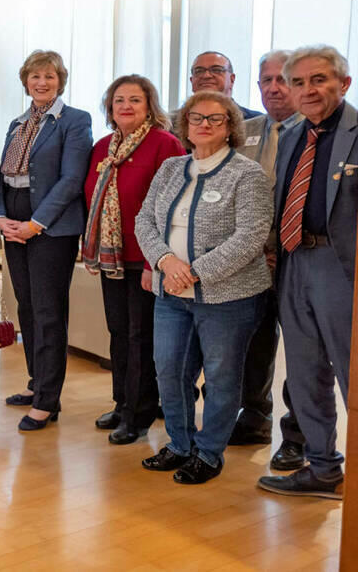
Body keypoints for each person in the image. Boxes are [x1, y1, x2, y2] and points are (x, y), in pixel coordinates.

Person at [135, 91, 273, 485]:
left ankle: (209, 453)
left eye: (216, 119)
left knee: (221, 376)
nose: (205, 125)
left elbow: (250, 237)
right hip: (170, 295)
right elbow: (144, 220)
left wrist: (192, 272)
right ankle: (180, 444)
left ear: (230, 126)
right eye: (197, 118)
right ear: (185, 125)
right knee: (170, 370)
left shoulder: (247, 174)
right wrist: (165, 262)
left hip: (227, 298)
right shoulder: (170, 169)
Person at [258, 45, 355, 500]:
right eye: (298, 82)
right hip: (296, 261)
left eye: (319, 80)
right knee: (303, 372)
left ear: (344, 84)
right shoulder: (295, 134)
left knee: (352, 374)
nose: (307, 90)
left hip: (343, 269)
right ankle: (322, 468)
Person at [0, 50, 92, 431]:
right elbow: (2, 176)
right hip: (14, 219)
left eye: (49, 76)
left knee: (49, 312)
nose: (42, 82)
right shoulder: (18, 123)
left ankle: (48, 401)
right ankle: (38, 385)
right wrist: (1, 216)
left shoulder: (75, 121)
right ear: (26, 81)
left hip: (51, 225)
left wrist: (36, 223)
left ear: (60, 80)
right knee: (27, 307)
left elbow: (71, 180)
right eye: (35, 76)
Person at [82, 75, 184, 445]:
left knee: (141, 335)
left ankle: (139, 413)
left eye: (135, 100)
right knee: (119, 332)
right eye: (119, 100)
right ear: (110, 108)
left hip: (147, 258)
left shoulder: (165, 145)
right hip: (111, 257)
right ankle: (121, 401)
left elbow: (171, 207)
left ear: (149, 106)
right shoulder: (103, 148)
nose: (126, 106)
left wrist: (154, 262)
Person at [229, 49, 306, 472]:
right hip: (251, 260)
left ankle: (298, 435)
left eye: (283, 80)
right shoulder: (245, 131)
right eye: (266, 81)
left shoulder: (315, 132)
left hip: (297, 259)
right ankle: (254, 417)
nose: (274, 88)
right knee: (254, 342)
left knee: (301, 352)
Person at [188, 51, 263, 119]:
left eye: (216, 70)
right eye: (199, 71)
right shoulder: (177, 122)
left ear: (232, 79)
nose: (206, 75)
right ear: (191, 80)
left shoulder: (256, 121)